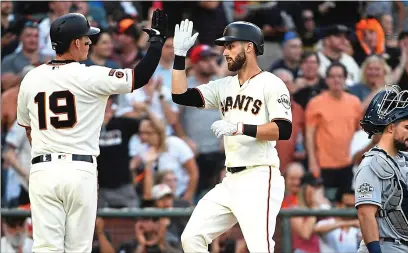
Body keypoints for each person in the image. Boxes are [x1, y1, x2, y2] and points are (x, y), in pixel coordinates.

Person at [15, 10, 168, 252]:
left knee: (45, 247)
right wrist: (157, 43)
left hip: (43, 168)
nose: (89, 43)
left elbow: (28, 129)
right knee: (78, 248)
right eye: (86, 39)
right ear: (75, 43)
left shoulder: (31, 78)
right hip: (79, 168)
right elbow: (139, 77)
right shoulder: (89, 75)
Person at [171, 20, 293, 252]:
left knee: (260, 248)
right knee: (192, 237)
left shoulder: (271, 83)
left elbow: (283, 129)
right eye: (224, 47)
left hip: (259, 175)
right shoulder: (224, 86)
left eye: (230, 46)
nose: (225, 52)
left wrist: (240, 127)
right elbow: (180, 96)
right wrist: (179, 56)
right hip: (230, 179)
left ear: (249, 47)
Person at [355, 85, 408, 253]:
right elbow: (366, 214)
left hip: (403, 247)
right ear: (391, 128)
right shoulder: (372, 163)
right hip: (383, 245)